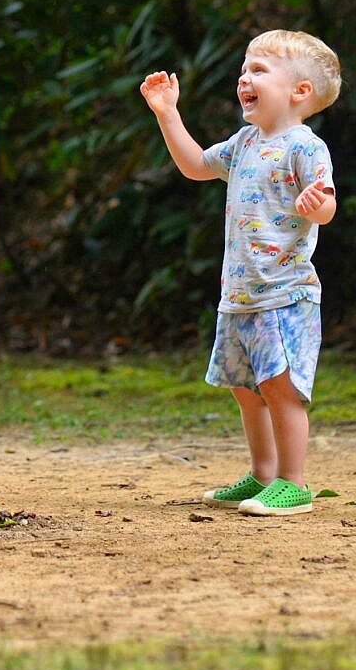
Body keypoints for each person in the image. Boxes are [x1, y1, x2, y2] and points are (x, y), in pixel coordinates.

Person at [139, 29, 340, 516]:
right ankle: (262, 474)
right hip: (240, 296)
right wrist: (168, 113)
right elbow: (194, 166)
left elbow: (328, 204)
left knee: (280, 389)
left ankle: (294, 483)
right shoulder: (245, 141)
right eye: (244, 69)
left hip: (284, 294)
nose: (243, 78)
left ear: (299, 92)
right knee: (246, 391)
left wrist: (316, 206)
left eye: (259, 70)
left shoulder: (304, 147)